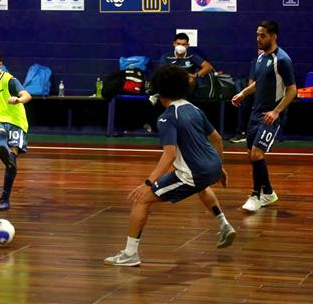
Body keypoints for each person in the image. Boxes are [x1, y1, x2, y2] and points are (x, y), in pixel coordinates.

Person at [103, 64, 235, 267]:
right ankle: (224, 224)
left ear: (159, 90)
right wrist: (219, 167)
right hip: (211, 168)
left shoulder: (166, 117)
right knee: (201, 184)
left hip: (194, 174)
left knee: (141, 201)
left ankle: (130, 254)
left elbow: (170, 155)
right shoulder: (194, 109)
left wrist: (148, 183)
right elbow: (217, 139)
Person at [231, 20, 296, 212]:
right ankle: (268, 192)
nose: (259, 39)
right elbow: (260, 83)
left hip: (271, 115)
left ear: (273, 36)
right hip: (255, 114)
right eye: (257, 35)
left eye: (263, 35)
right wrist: (243, 93)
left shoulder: (282, 60)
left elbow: (293, 91)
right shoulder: (260, 58)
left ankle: (255, 195)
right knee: (252, 156)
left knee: (257, 154)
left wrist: (276, 112)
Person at [0, 48, 32, 211]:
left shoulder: (9, 80)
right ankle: (2, 146)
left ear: (0, 64)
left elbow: (27, 96)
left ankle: (5, 198)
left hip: (16, 122)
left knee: (11, 163)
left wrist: (18, 99)